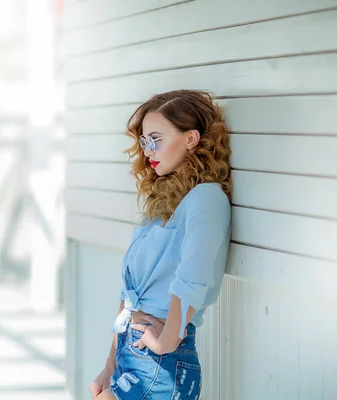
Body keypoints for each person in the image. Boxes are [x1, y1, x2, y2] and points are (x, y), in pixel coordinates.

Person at [89, 90, 232, 400]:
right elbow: (128, 295)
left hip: (160, 361)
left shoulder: (207, 199)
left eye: (156, 139)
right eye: (144, 141)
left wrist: (167, 341)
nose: (147, 150)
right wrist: (110, 363)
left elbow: (193, 277)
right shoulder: (163, 206)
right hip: (132, 354)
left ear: (191, 138)